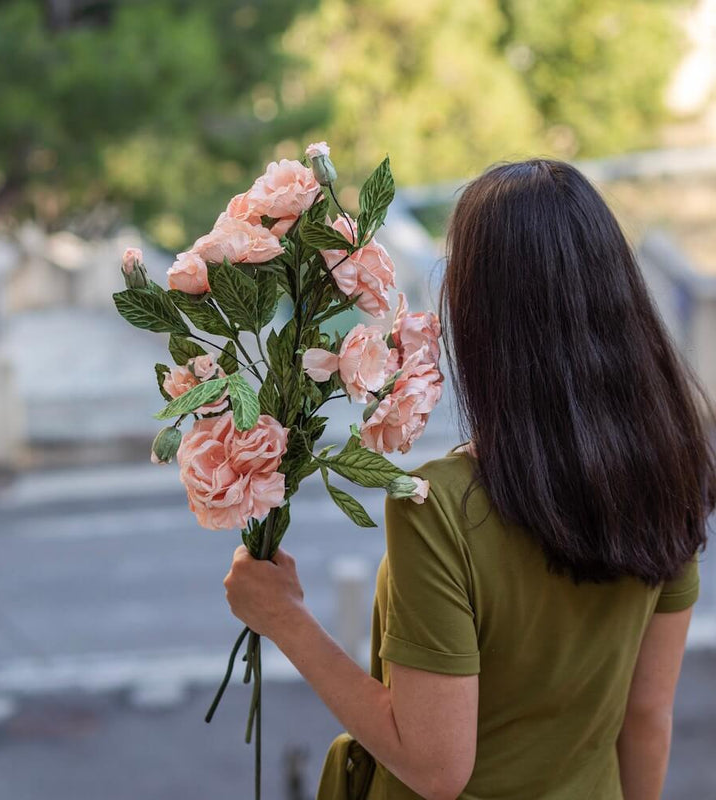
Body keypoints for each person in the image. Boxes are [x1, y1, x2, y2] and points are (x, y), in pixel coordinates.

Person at [223, 159, 715, 800]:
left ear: (480, 315)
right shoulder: (668, 471)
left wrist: (285, 619)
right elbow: (646, 719)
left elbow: (435, 767)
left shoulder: (440, 507)